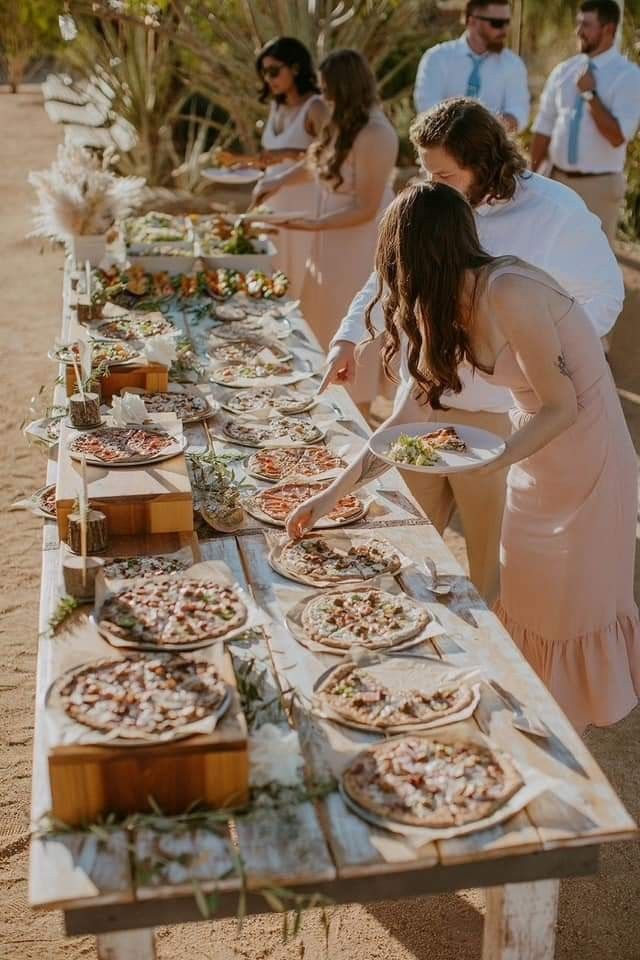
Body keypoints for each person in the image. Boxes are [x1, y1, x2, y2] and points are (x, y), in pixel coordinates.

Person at [288, 181, 640, 733]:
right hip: (531, 451)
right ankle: (536, 722)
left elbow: (563, 406)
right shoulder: (443, 304)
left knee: (569, 607)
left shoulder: (511, 290)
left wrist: (493, 462)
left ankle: (565, 734)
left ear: (421, 256)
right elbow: (403, 423)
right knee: (524, 599)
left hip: (589, 457)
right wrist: (327, 496)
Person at [322, 98, 624, 603]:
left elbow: (606, 296)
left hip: (501, 417)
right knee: (406, 548)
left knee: (488, 576)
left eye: (444, 174)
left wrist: (537, 353)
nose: (432, 184)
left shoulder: (556, 213)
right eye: (427, 172)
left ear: (483, 165)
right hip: (424, 399)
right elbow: (394, 273)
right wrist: (350, 336)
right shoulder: (435, 205)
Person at [252, 48, 398, 412]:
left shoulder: (377, 133)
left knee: (352, 327)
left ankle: (358, 411)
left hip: (359, 244)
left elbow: (366, 207)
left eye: (330, 87)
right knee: (320, 322)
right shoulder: (343, 121)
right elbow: (317, 160)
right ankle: (326, 409)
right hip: (329, 241)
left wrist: (312, 224)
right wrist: (278, 182)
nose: (324, 95)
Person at [530, 0, 640, 246]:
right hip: (556, 183)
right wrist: (531, 176)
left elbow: (618, 136)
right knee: (550, 257)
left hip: (598, 188)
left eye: (587, 25)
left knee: (594, 265)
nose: (578, 31)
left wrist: (590, 95)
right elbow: (544, 125)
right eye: (579, 23)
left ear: (609, 29)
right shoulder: (564, 71)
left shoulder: (628, 76)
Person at [255, 37, 329, 298]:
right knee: (268, 283)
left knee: (297, 288)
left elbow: (330, 158)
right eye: (264, 72)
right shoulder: (276, 105)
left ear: (296, 68)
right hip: (272, 208)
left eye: (274, 70)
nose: (268, 78)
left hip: (303, 208)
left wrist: (288, 153)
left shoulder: (316, 107)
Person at [413, 0, 529, 133]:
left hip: (491, 149)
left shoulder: (513, 64)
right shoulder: (437, 58)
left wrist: (479, 132)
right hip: (443, 146)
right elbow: (427, 109)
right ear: (472, 21)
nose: (504, 30)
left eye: (507, 22)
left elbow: (518, 114)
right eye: (497, 23)